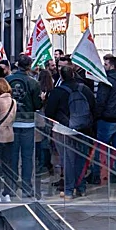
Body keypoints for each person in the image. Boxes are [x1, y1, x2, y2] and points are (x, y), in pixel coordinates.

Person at [46, 65, 97, 198]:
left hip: (63, 130)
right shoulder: (85, 89)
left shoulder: (57, 91)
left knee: (67, 160)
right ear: (73, 74)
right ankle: (81, 187)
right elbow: (93, 107)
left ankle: (69, 190)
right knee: (81, 159)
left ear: (61, 76)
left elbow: (49, 112)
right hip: (83, 129)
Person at [6, 56, 44, 198]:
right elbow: (37, 105)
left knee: (13, 156)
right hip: (28, 122)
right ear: (29, 66)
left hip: (12, 121)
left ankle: (11, 186)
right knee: (27, 157)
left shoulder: (8, 80)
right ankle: (27, 187)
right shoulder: (33, 83)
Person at [92, 55, 116, 185]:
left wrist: (96, 115)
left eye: (106, 64)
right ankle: (114, 172)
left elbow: (101, 100)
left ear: (112, 66)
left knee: (99, 147)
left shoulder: (107, 80)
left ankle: (95, 174)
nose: (104, 66)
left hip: (108, 118)